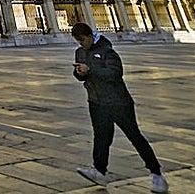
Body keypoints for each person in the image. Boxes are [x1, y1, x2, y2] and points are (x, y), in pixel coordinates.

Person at [71, 22, 168, 192]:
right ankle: (99, 172)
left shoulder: (107, 51)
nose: (80, 44)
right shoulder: (80, 52)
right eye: (77, 41)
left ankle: (157, 174)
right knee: (101, 138)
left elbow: (115, 74)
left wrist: (90, 70)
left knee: (134, 136)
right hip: (97, 102)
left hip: (118, 102)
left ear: (89, 36)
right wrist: (79, 72)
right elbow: (82, 76)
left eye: (82, 40)